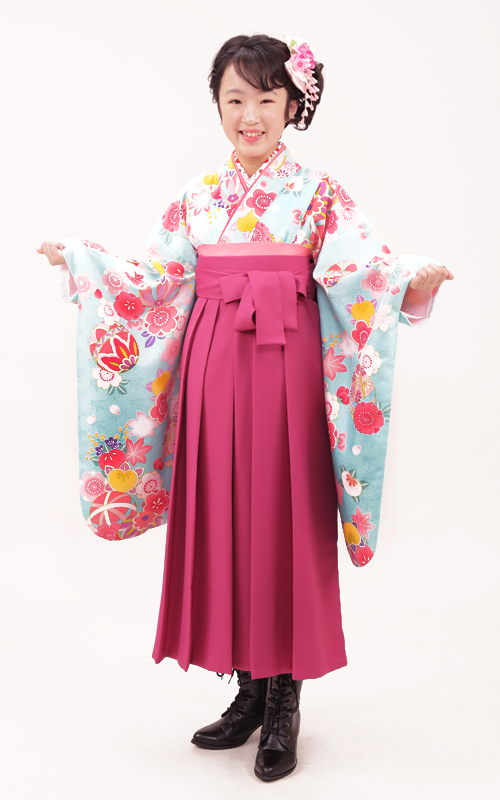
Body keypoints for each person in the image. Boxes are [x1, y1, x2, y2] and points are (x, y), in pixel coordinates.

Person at [38, 33, 453, 783]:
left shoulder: (318, 193)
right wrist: (85, 261)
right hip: (212, 366)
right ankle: (248, 687)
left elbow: (361, 271)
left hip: (287, 364)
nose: (250, 114)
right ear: (218, 105)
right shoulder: (197, 195)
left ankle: (285, 695)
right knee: (224, 512)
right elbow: (154, 281)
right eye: (235, 98)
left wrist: (409, 278)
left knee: (284, 516)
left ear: (293, 106)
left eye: (266, 98)